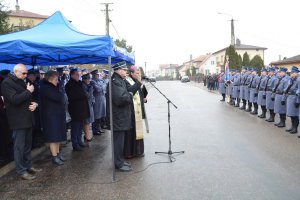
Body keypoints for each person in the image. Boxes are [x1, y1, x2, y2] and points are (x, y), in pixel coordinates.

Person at [1, 63, 42, 180]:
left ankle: (28, 165)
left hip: (28, 118)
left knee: (27, 145)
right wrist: (28, 91)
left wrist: (35, 104)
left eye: (26, 73)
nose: (26, 75)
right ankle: (21, 170)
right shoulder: (7, 83)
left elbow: (28, 98)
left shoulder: (21, 81)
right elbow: (14, 100)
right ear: (16, 71)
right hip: (18, 120)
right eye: (24, 73)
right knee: (19, 146)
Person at [111, 61, 136, 172]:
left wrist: (137, 83)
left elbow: (130, 90)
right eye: (124, 70)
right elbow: (121, 99)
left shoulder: (121, 80)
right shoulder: (115, 81)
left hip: (122, 117)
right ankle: (118, 163)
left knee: (121, 142)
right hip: (118, 117)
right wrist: (129, 95)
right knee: (118, 142)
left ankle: (119, 161)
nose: (126, 72)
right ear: (118, 70)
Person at [39, 71, 67, 165]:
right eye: (56, 79)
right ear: (50, 79)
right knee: (53, 137)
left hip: (56, 115)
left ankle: (58, 153)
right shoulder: (45, 88)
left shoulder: (53, 87)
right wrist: (60, 89)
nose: (58, 81)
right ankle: (54, 156)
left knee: (57, 137)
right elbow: (58, 97)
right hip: (50, 117)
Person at [65, 68, 90, 151]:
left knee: (80, 127)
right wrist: (83, 95)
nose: (78, 75)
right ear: (72, 75)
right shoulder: (69, 85)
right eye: (76, 74)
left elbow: (85, 93)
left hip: (82, 108)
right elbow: (73, 96)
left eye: (78, 74)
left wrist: (84, 94)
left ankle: (79, 141)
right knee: (75, 127)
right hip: (75, 109)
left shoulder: (79, 83)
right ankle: (75, 144)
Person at [124, 65, 146, 158]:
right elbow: (130, 91)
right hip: (131, 112)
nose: (138, 74)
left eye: (139, 73)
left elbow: (141, 92)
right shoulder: (127, 81)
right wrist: (138, 83)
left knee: (138, 132)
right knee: (131, 133)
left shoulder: (136, 81)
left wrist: (144, 97)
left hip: (138, 110)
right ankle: (130, 152)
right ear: (131, 73)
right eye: (137, 73)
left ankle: (138, 151)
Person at [91, 69, 106, 135]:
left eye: (98, 74)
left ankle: (99, 128)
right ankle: (95, 130)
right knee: (96, 115)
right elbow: (98, 89)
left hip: (102, 99)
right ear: (94, 75)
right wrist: (102, 87)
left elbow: (105, 87)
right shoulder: (92, 81)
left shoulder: (100, 80)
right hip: (97, 100)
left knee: (101, 115)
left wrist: (102, 87)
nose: (98, 75)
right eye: (96, 74)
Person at [284, 66, 299, 134]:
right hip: (290, 97)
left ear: (296, 73)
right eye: (291, 73)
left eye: (292, 73)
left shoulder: (298, 80)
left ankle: (295, 128)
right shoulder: (291, 79)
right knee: (291, 114)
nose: (291, 74)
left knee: (295, 114)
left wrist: (298, 101)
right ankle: (292, 127)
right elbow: (287, 88)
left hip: (295, 98)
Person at [82, 73, 95, 142]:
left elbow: (92, 96)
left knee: (89, 122)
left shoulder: (88, 85)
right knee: (86, 122)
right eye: (87, 79)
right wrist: (91, 88)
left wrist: (93, 100)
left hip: (90, 105)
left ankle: (87, 135)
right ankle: (87, 136)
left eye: (89, 78)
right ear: (84, 79)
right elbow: (87, 95)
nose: (89, 80)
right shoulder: (83, 86)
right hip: (86, 106)